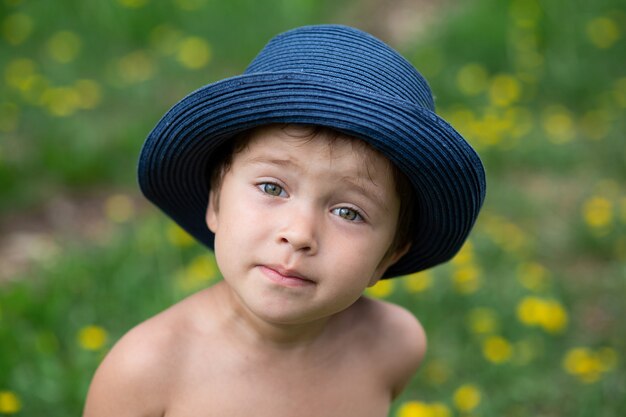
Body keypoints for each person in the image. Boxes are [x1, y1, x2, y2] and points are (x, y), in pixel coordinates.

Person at [83, 24, 485, 416]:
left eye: (349, 212)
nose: (299, 234)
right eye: (273, 188)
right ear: (215, 201)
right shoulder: (146, 372)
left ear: (388, 257)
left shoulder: (393, 346)